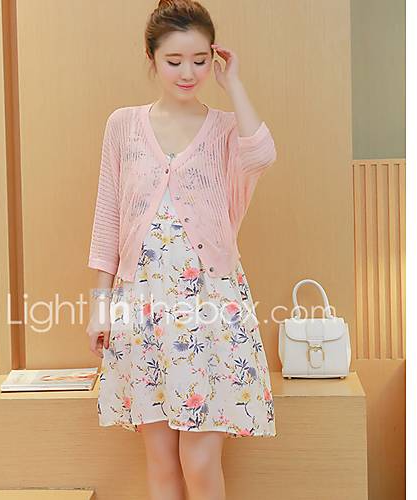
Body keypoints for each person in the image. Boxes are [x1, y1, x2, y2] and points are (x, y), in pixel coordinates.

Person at [86, 1, 277, 498]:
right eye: (174, 61)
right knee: (160, 460)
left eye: (199, 60)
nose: (188, 72)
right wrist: (100, 306)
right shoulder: (123, 126)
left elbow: (262, 154)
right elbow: (107, 220)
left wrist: (234, 84)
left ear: (214, 58)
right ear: (152, 58)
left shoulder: (226, 130)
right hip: (141, 308)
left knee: (199, 457)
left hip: (211, 308)